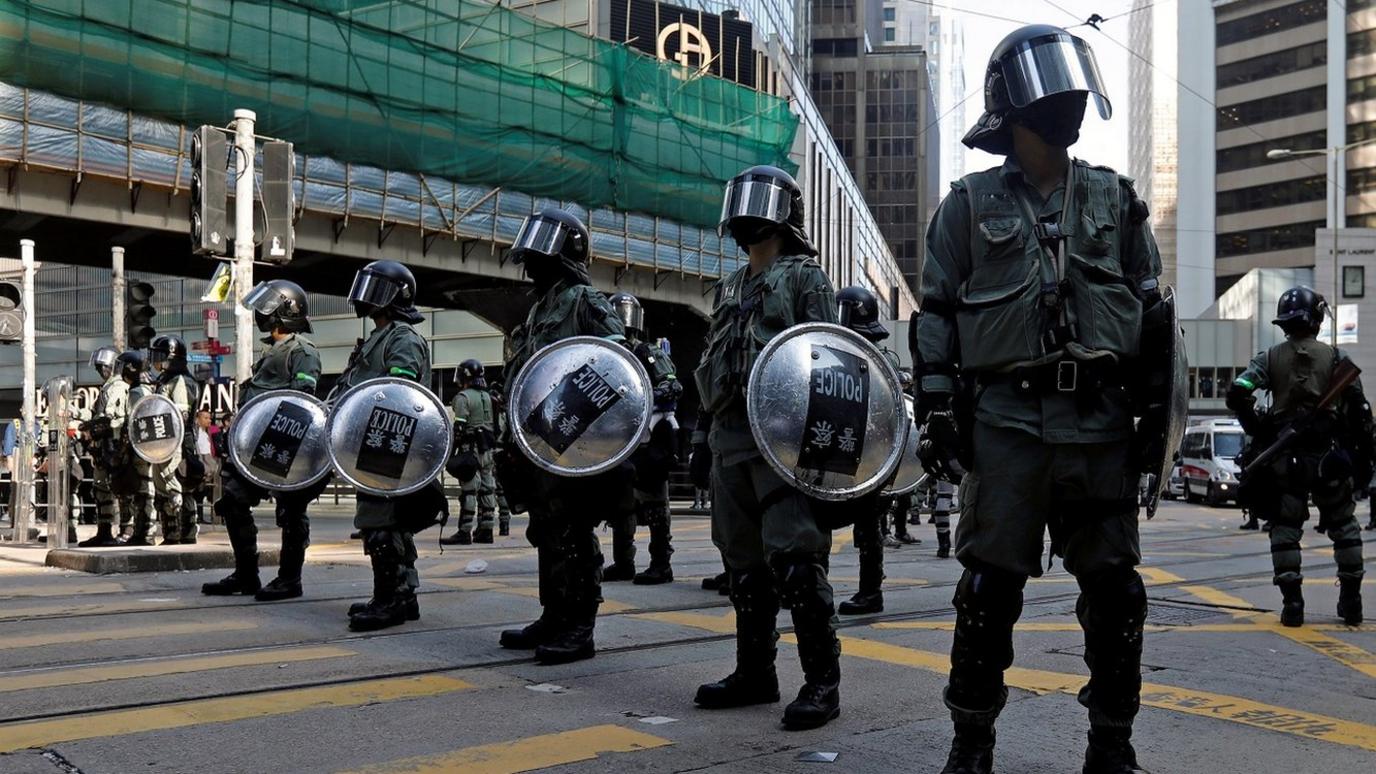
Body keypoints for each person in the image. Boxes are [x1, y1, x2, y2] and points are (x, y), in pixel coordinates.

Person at [914, 26, 1164, 773]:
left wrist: (1156, 423)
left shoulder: (1115, 200)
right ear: (1013, 105)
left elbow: (1153, 316)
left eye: (1077, 86)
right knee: (987, 593)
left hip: (1101, 423)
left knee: (1117, 594)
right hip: (1007, 424)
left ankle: (1111, 746)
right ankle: (972, 742)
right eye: (1055, 88)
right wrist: (936, 406)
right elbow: (937, 312)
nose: (1072, 100)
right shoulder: (966, 203)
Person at [691, 165, 842, 730]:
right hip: (730, 439)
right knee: (744, 567)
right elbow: (714, 363)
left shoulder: (805, 277)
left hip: (781, 443)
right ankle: (755, 672)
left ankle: (821, 681)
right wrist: (703, 438)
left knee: (797, 561)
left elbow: (827, 361)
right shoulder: (730, 286)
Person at [497, 207, 626, 665]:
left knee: (574, 531)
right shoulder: (540, 309)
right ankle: (554, 614)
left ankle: (580, 625)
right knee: (547, 530)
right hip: (539, 438)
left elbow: (617, 362)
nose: (530, 262)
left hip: (573, 439)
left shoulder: (584, 301)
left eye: (539, 254)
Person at [1227, 286, 1368, 628]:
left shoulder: (1270, 357)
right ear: (1316, 318)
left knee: (1286, 528)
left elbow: (1239, 391)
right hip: (1328, 459)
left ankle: (1293, 604)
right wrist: (1359, 458)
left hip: (1285, 461)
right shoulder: (1336, 358)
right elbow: (1361, 414)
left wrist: (1260, 428)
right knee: (1345, 527)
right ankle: (1351, 601)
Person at [202, 279, 326, 602]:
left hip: (286, 446)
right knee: (232, 499)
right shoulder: (270, 351)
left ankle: (289, 579)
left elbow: (303, 401)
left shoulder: (302, 352)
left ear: (284, 312)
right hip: (254, 448)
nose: (261, 314)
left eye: (267, 308)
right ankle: (246, 573)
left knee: (292, 511)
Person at [335, 260, 437, 632]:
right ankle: (402, 596)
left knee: (382, 524)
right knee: (388, 524)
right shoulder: (379, 337)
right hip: (372, 443)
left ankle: (390, 600)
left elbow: (399, 393)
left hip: (391, 444)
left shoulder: (403, 338)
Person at [609, 292, 683, 585]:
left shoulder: (647, 352)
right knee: (619, 503)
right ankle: (623, 561)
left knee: (654, 502)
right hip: (620, 437)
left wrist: (649, 396)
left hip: (649, 435)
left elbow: (671, 385)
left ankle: (661, 563)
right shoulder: (611, 354)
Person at [835, 285, 898, 616]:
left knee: (868, 528)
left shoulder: (880, 363)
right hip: (841, 447)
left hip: (870, 456)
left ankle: (870, 591)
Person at [148, 335, 202, 546]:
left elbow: (180, 417)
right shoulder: (167, 380)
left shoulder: (180, 381)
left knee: (173, 485)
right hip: (166, 441)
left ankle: (179, 533)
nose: (156, 361)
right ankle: (178, 533)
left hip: (176, 442)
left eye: (160, 356)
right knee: (170, 485)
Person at [440, 359, 499, 545]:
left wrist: (451, 451)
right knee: (487, 488)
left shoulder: (462, 398)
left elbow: (459, 427)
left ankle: (464, 531)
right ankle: (486, 530)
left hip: (470, 448)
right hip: (488, 448)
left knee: (470, 490)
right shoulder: (489, 397)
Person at [78, 346, 129, 547]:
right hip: (104, 446)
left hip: (114, 445)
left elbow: (111, 419)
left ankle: (126, 530)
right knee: (101, 489)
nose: (101, 371)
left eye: (104, 367)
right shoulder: (108, 386)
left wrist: (94, 426)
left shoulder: (117, 387)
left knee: (121, 488)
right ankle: (105, 530)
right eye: (99, 368)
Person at [114, 352, 157, 545]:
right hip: (148, 447)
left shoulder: (136, 392)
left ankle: (144, 532)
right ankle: (144, 530)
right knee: (145, 490)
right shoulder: (149, 389)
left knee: (143, 491)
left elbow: (131, 422)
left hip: (140, 447)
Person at [192, 410, 220, 524]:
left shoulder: (208, 432)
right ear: (198, 419)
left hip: (208, 462)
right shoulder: (196, 434)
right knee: (198, 492)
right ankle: (197, 514)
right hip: (201, 463)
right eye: (205, 418)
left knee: (203, 492)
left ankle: (200, 514)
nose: (209, 420)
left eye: (209, 418)